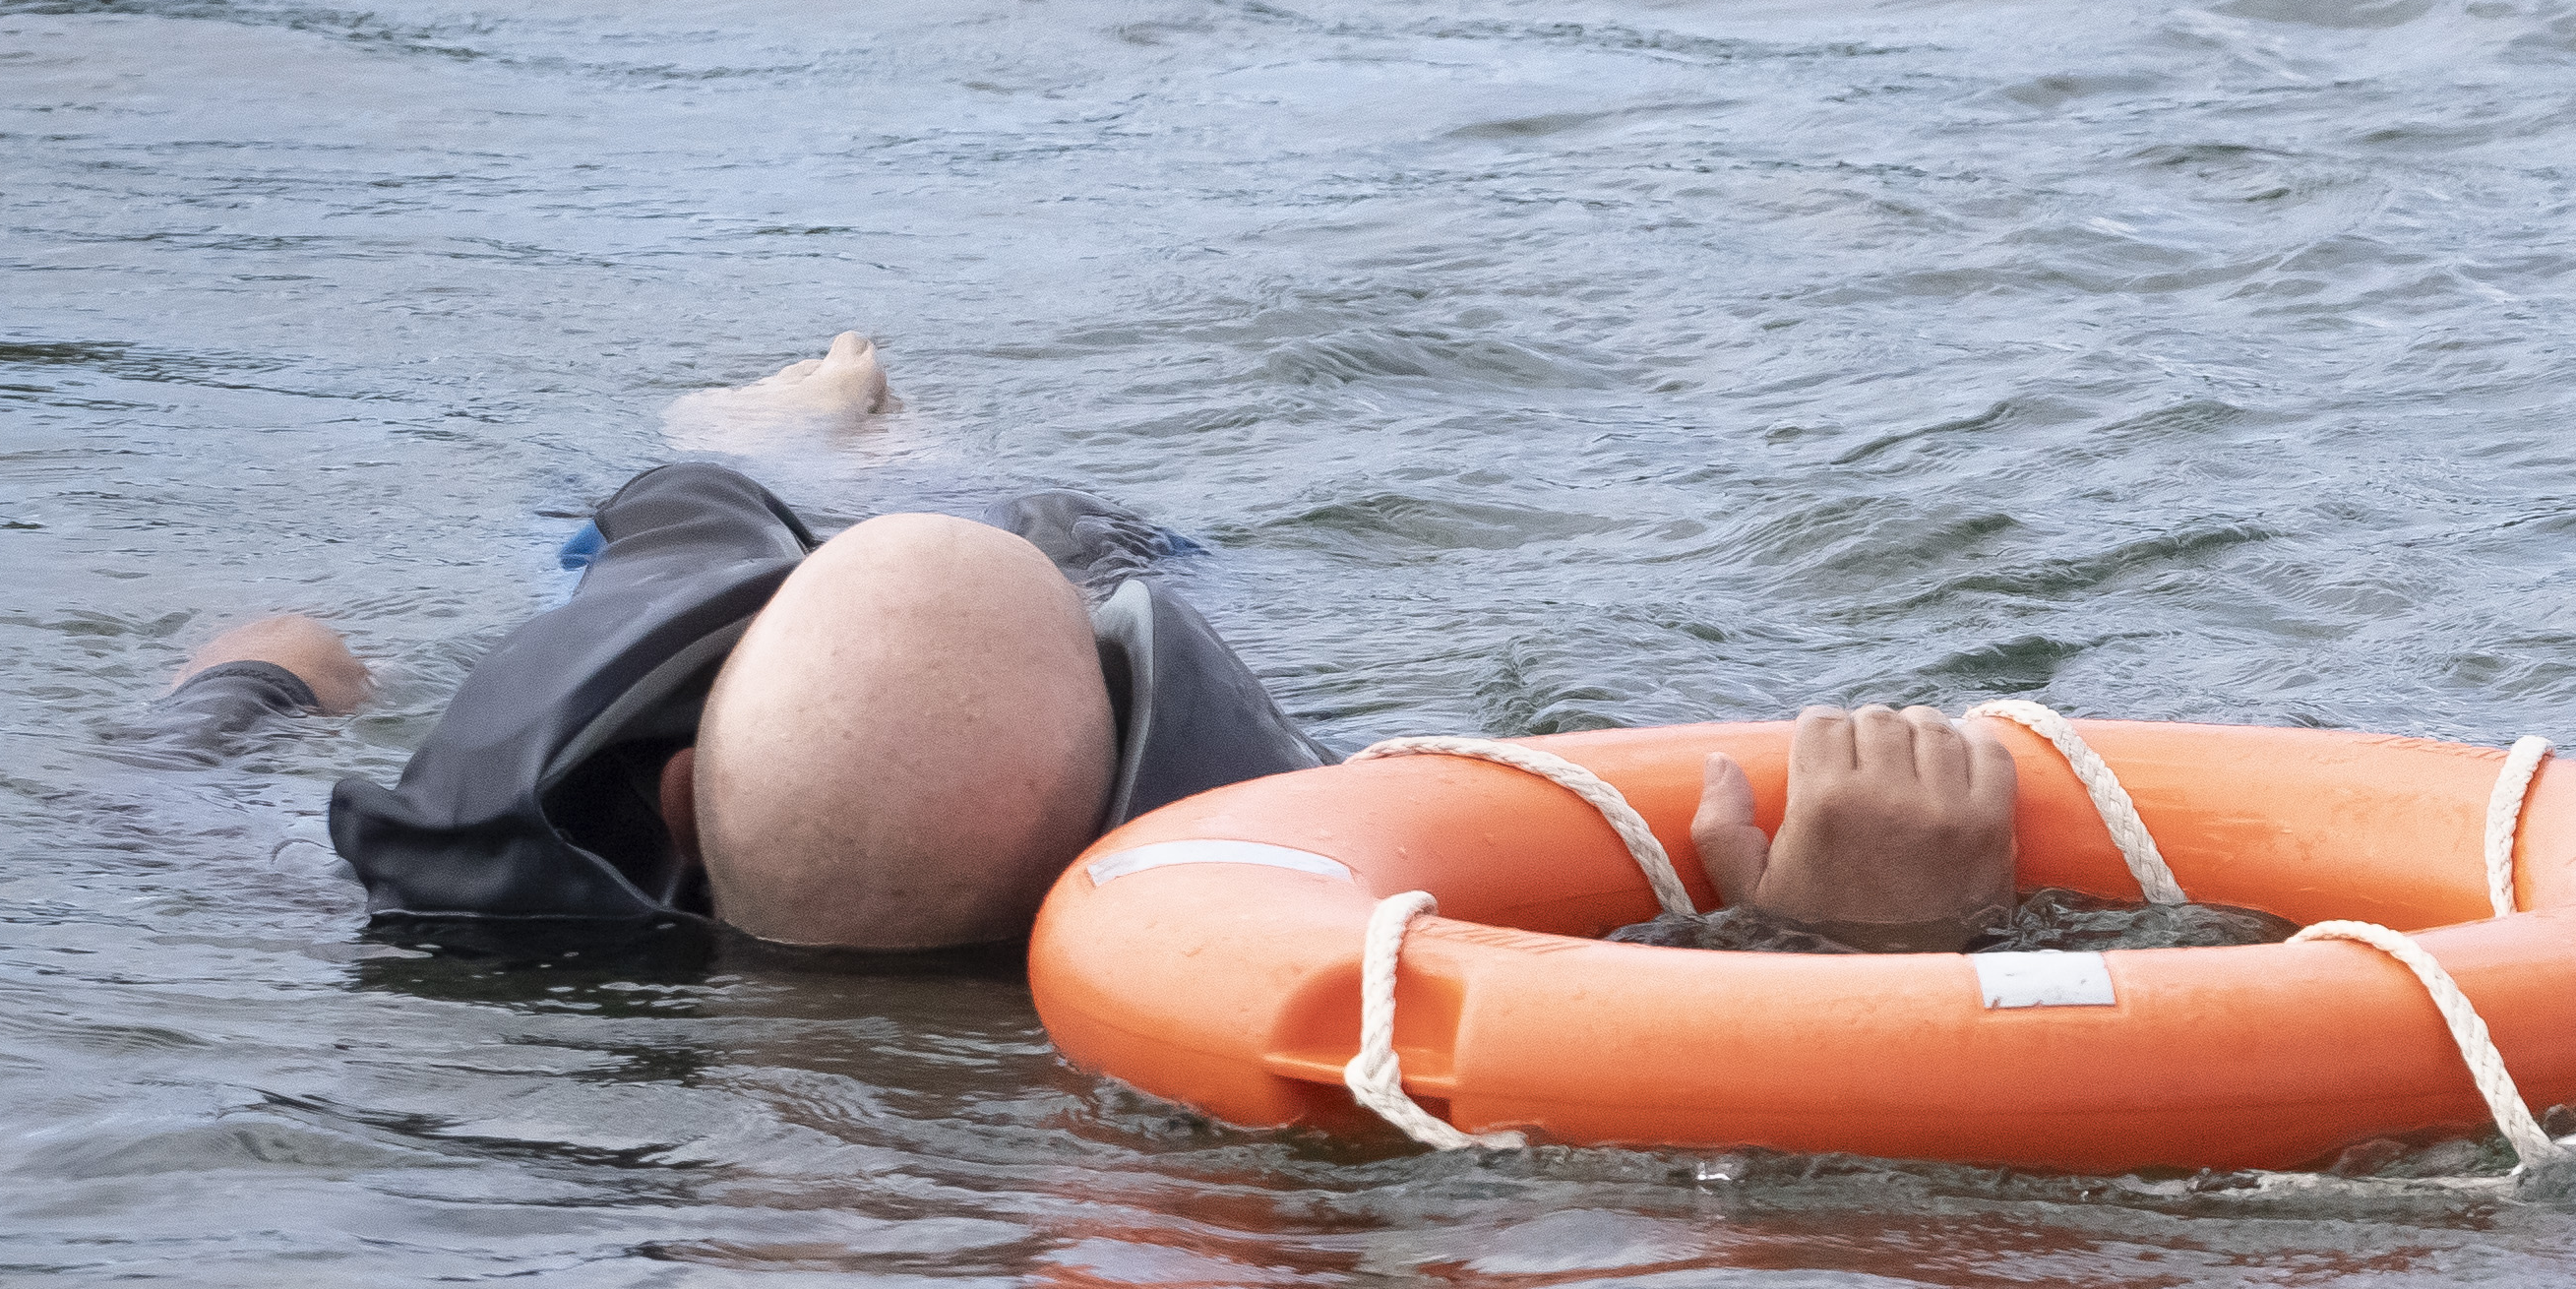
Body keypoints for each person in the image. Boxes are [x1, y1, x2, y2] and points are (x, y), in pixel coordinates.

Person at [147, 332, 2087, 959]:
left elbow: (175, 808)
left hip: (807, 640)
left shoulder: (466, 907)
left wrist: (249, 679)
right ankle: (832, 444)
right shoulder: (1197, 874)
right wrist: (1818, 939)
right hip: (743, 594)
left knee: (908, 519)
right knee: (834, 507)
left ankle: (847, 440)